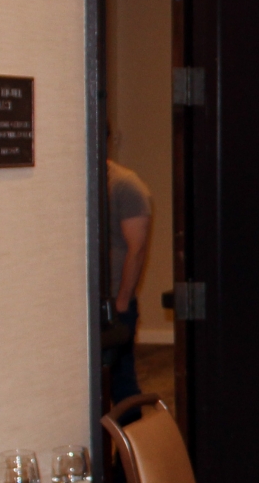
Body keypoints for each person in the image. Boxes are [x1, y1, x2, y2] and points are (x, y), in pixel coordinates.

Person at [104, 154, 153, 406]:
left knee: (122, 381)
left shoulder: (125, 185)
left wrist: (122, 300)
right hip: (94, 302)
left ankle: (130, 444)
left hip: (117, 303)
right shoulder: (87, 181)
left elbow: (137, 248)